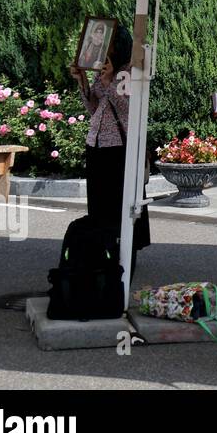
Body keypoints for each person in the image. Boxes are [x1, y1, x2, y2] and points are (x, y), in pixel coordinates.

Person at [69, 25, 150, 273]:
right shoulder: (102, 69)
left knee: (120, 207)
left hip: (120, 147)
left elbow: (130, 112)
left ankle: (124, 256)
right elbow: (95, 108)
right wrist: (83, 81)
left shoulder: (129, 72)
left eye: (110, 43)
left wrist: (109, 82)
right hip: (97, 143)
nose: (105, 48)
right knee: (100, 206)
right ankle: (103, 252)